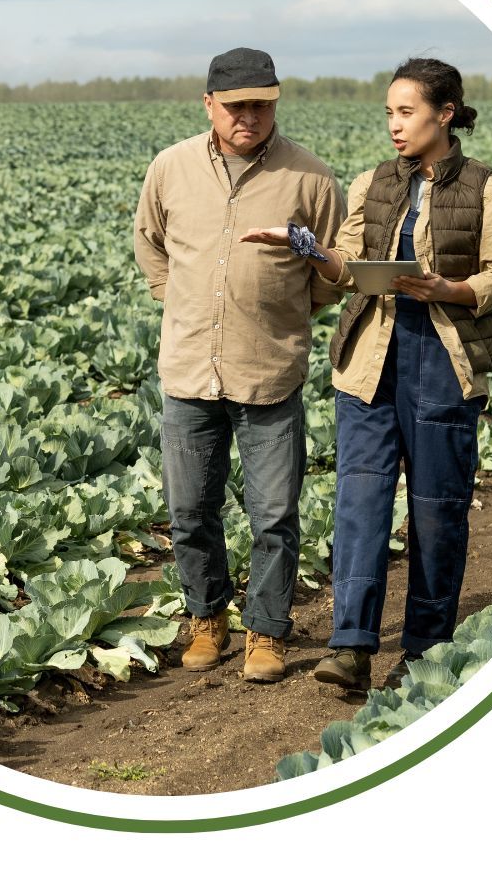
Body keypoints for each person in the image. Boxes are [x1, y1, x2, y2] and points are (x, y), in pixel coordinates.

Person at [239, 57, 492, 691]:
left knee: (436, 509)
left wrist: (449, 287)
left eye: (407, 112)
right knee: (360, 504)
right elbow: (345, 269)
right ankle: (352, 646)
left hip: (444, 361)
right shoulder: (370, 184)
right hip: (369, 361)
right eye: (389, 113)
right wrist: (306, 246)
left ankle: (424, 649)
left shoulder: (485, 189)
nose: (394, 125)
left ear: (444, 114)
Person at [133, 47, 347, 683]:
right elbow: (149, 241)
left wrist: (279, 314)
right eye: (235, 106)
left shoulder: (310, 179)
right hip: (190, 369)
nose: (247, 116)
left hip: (268, 371)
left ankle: (267, 631)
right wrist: (177, 298)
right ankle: (207, 617)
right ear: (209, 106)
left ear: (275, 102)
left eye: (260, 104)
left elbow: (332, 269)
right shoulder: (170, 168)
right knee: (189, 510)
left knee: (274, 515)